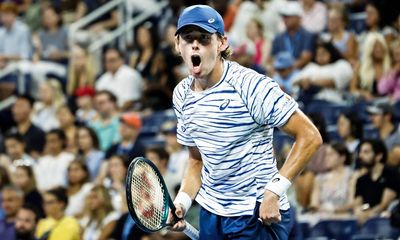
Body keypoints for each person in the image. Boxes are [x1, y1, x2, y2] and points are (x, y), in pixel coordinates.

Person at [169, 5, 322, 239]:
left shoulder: (251, 86)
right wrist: (181, 203)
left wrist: (274, 191)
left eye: (204, 39)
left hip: (257, 212)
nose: (195, 45)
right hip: (211, 213)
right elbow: (196, 160)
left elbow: (310, 136)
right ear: (178, 45)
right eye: (188, 39)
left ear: (222, 43)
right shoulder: (181, 94)